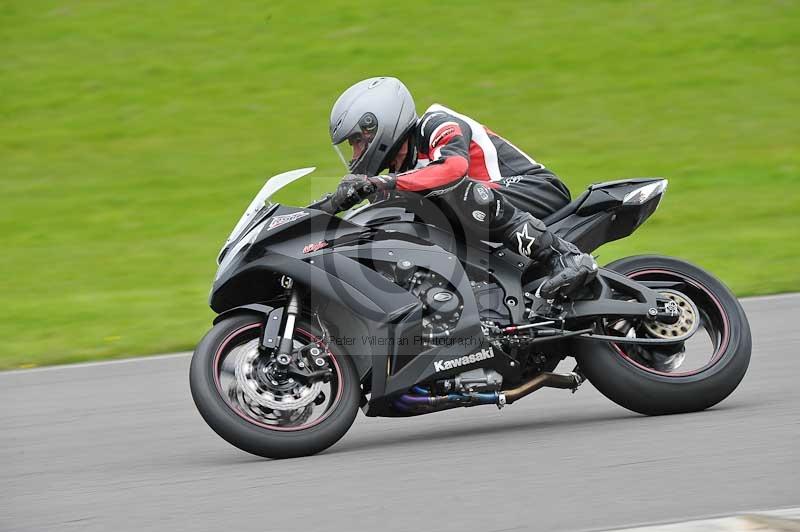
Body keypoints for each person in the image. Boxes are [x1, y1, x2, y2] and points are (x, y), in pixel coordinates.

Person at [329, 77, 597, 299]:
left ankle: (565, 258)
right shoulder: (400, 174)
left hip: (535, 189)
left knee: (448, 191)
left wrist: (381, 183)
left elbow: (453, 170)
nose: (355, 154)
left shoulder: (436, 124)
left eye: (356, 141)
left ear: (377, 125)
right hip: (496, 209)